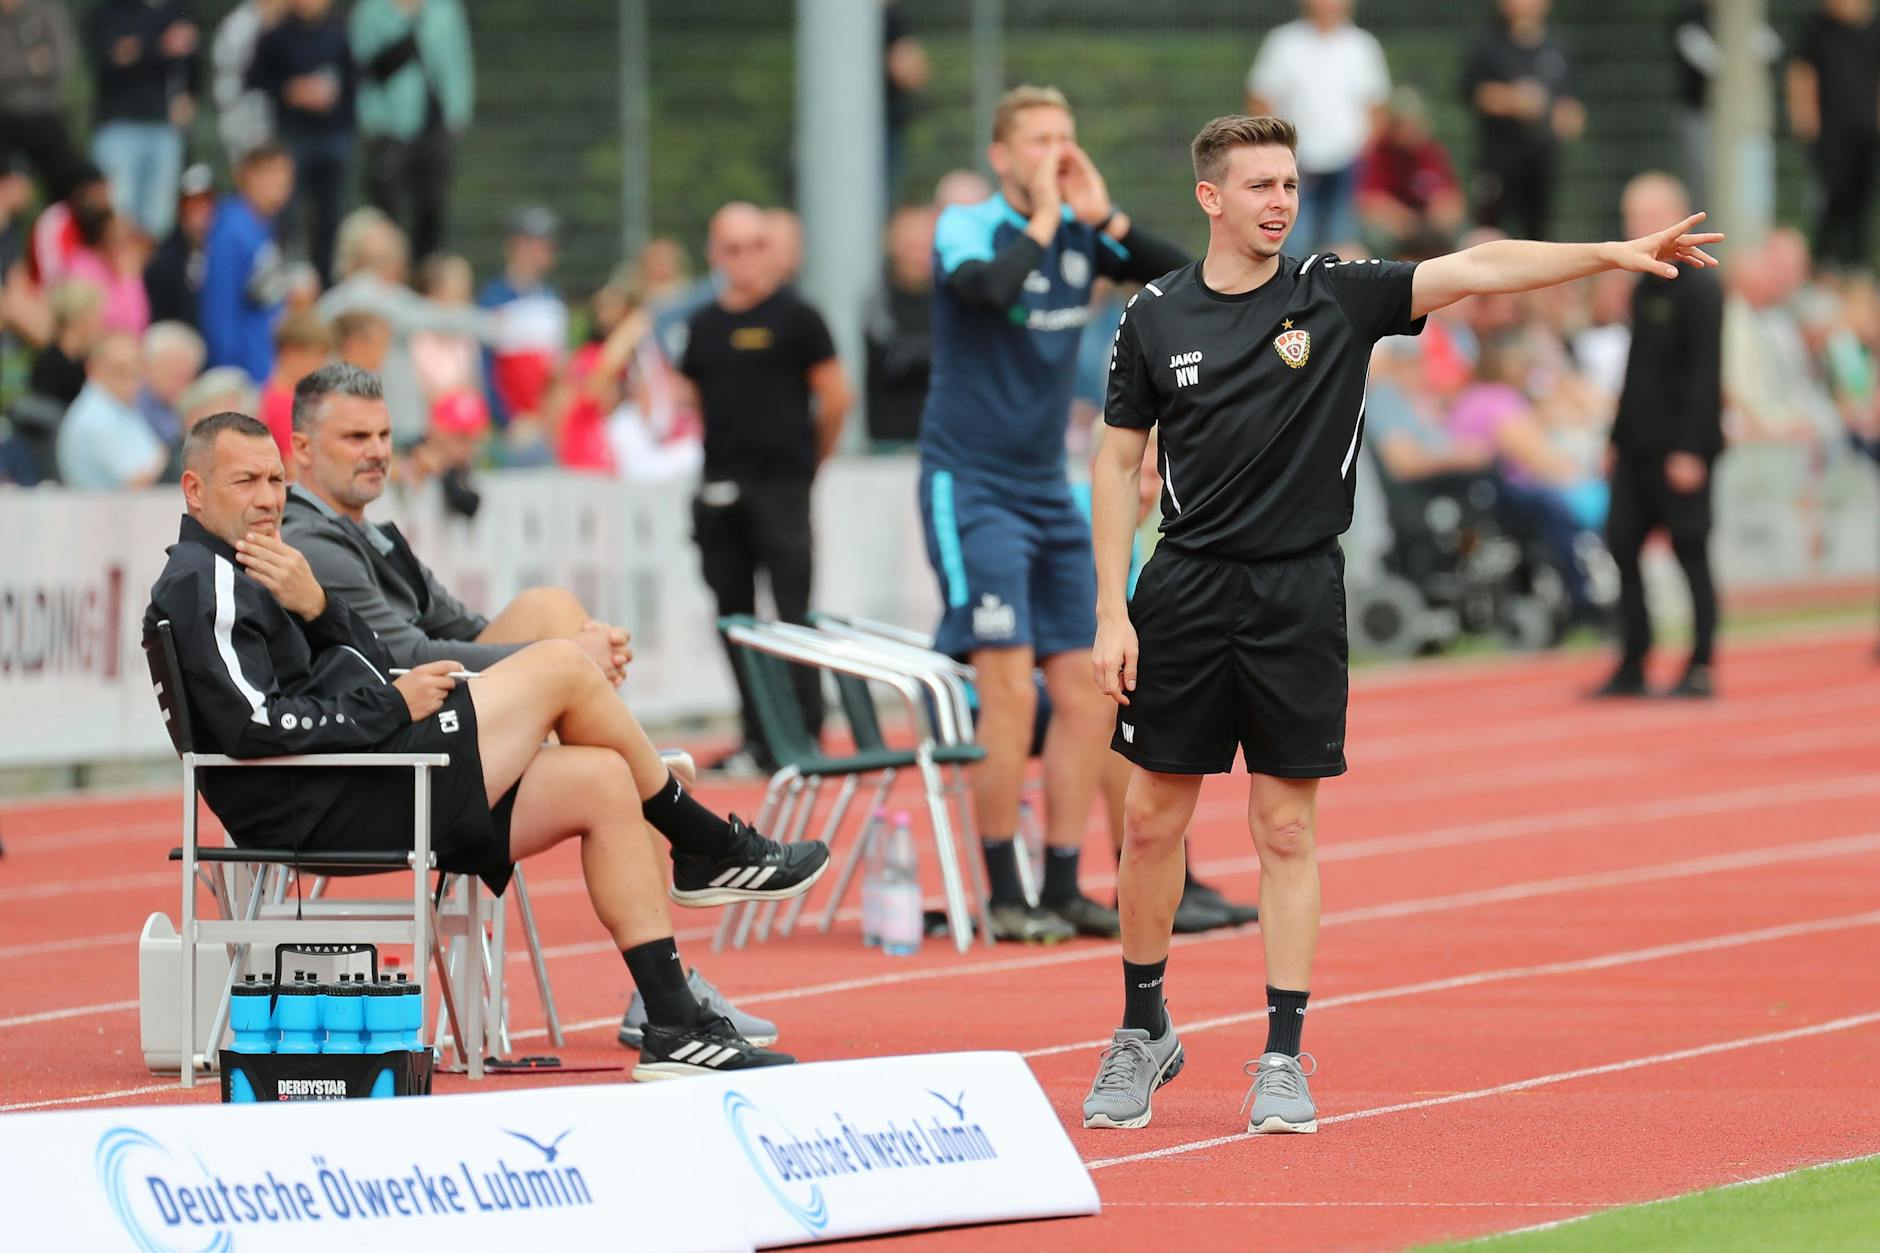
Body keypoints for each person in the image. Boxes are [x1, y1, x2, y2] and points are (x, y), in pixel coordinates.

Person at [1080, 114, 1720, 1134]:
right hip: (1183, 590)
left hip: (1296, 594)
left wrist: (1606, 251)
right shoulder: (1152, 317)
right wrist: (1109, 607)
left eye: (1287, 182)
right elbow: (1117, 462)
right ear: (1209, 197)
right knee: (1151, 819)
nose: (1279, 200)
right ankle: (1140, 1025)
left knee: (1284, 825)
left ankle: (1282, 1054)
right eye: (1257, 185)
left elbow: (1475, 267)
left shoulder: (1333, 290)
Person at [147, 410, 819, 1077]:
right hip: (332, 796)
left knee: (605, 776)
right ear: (195, 490)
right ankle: (704, 841)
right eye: (246, 481)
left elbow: (373, 661)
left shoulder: (268, 563)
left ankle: (673, 1020)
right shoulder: (204, 578)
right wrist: (391, 702)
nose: (267, 497)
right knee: (559, 663)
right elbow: (252, 726)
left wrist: (319, 605)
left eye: (274, 480)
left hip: (367, 772)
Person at [280, 362, 788, 1047]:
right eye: (354, 436)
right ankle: (693, 833)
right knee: (571, 679)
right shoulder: (310, 542)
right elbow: (408, 657)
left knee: (558, 632)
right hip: (394, 758)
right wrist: (566, 662)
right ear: (302, 448)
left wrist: (569, 652)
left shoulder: (369, 531)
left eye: (385, 433)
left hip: (436, 733)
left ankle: (666, 997)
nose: (376, 449)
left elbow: (460, 626)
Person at [916, 84, 1189, 943]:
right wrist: (1042, 219)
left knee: (1088, 688)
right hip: (972, 483)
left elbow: (1183, 277)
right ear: (1003, 157)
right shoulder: (970, 224)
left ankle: (1066, 879)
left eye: (1067, 139)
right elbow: (991, 289)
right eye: (1039, 140)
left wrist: (1103, 217)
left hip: (1045, 484)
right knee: (1005, 687)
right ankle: (1005, 887)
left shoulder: (1080, 231)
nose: (1057, 155)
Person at [677, 202, 851, 775]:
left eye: (756, 245)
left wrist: (808, 463)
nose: (746, 259)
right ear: (714, 254)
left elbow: (836, 397)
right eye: (733, 248)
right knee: (734, 617)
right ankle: (756, 735)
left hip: (783, 484)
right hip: (722, 486)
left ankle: (805, 731)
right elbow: (693, 399)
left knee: (793, 611)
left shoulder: (799, 317)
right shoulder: (703, 325)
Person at [1593, 174, 1724, 701]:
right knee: (1621, 544)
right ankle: (1633, 660)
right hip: (1637, 448)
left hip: (1681, 450)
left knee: (1691, 552)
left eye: (1643, 217)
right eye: (1630, 217)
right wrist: (1615, 438)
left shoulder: (1702, 286)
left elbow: (1706, 374)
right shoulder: (1646, 281)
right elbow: (1636, 372)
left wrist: (1692, 449)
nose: (1633, 228)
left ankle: (1700, 664)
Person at [1243, 0, 1389, 256]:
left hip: (1348, 164)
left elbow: (1376, 109)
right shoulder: (1283, 43)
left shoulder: (1363, 46)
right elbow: (1260, 102)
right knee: (1291, 242)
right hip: (1297, 165)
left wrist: (1362, 155)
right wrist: (1276, 154)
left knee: (1343, 246)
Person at [350, 0, 474, 266]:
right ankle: (384, 272)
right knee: (386, 207)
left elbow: (457, 62)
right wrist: (372, 123)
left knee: (432, 207)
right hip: (390, 125)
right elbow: (362, 71)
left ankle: (425, 275)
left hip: (434, 124)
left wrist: (457, 113)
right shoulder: (371, 11)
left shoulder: (445, 10)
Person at [247, 0, 355, 285]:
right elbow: (255, 78)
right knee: (288, 217)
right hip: (294, 137)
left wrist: (335, 105)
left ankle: (326, 283)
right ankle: (286, 280)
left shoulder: (339, 32)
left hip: (333, 137)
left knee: (329, 217)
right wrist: (289, 90)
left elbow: (354, 82)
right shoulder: (276, 35)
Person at [1462, 0, 1583, 240]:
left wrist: (1567, 118)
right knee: (1489, 231)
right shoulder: (1489, 48)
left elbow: (1571, 106)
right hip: (1498, 161)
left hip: (1541, 161)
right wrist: (1515, 100)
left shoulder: (1557, 50)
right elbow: (1474, 93)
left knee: (1539, 235)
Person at [84, 0, 200, 241]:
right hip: (118, 128)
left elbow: (191, 63)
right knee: (114, 219)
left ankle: (141, 279)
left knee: (158, 224)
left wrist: (190, 95)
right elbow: (112, 60)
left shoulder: (174, 11)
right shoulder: (108, 13)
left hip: (164, 129)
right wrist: (159, 46)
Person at [1788, 0, 1880, 271]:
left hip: (1865, 132)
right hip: (1829, 134)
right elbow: (1802, 74)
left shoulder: (1874, 28)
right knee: (1828, 198)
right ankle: (1822, 262)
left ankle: (1857, 264)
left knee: (1862, 200)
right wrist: (1805, 120)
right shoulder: (1816, 28)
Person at [200, 141, 303, 382]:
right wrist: (228, 375)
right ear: (246, 175)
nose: (280, 182)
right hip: (242, 375)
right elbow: (219, 308)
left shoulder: (265, 226)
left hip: (266, 369)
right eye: (270, 172)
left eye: (285, 173)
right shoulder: (231, 229)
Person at [1355, 87, 1465, 260]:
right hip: (1399, 230)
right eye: (1402, 124)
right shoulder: (1377, 154)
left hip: (1430, 228)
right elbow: (1368, 202)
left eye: (1414, 122)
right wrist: (1403, 219)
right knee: (1375, 237)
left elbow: (1452, 200)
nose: (1409, 129)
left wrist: (1439, 215)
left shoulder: (1432, 151)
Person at [863, 204, 936, 445]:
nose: (918, 254)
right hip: (889, 442)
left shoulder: (951, 298)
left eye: (924, 244)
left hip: (943, 441)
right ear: (893, 245)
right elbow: (892, 358)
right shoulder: (878, 300)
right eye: (910, 245)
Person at [56, 330, 167, 488]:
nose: (130, 379)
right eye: (119, 370)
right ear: (93, 368)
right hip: (102, 510)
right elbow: (138, 481)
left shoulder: (121, 407)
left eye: (136, 369)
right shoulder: (94, 418)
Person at [0, 0, 85, 199]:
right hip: (4, 118)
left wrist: (13, 66)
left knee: (69, 188)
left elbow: (64, 60)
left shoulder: (46, 12)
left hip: (47, 114)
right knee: (8, 193)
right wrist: (31, 64)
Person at [144, 163, 218, 329]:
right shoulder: (164, 262)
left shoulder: (228, 255)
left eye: (206, 206)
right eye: (192, 207)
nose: (200, 216)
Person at [257, 309, 330, 461]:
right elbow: (294, 466)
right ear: (291, 353)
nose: (321, 366)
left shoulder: (274, 394)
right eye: (316, 357)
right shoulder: (283, 403)